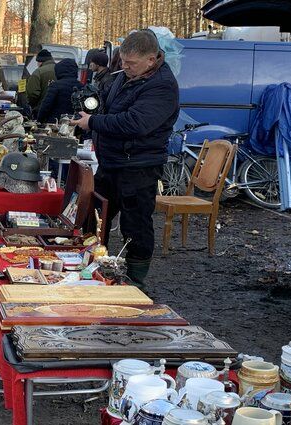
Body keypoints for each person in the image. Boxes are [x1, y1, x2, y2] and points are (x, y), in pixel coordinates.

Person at [72, 30, 180, 289]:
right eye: (122, 61)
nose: (124, 67)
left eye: (131, 63)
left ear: (152, 60)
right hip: (111, 162)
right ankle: (94, 263)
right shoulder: (123, 76)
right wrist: (92, 107)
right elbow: (109, 107)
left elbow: (136, 123)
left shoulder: (163, 85)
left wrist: (94, 122)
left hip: (138, 166)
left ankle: (135, 279)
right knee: (94, 215)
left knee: (136, 224)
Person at [37, 58, 83, 124]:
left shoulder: (55, 85)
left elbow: (46, 105)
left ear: (59, 71)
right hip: (76, 123)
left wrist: (39, 120)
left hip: (56, 122)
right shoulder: (81, 86)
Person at [26, 49, 56, 114]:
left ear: (40, 61)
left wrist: (33, 106)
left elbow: (32, 93)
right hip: (59, 110)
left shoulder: (38, 72)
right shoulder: (61, 69)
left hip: (42, 110)